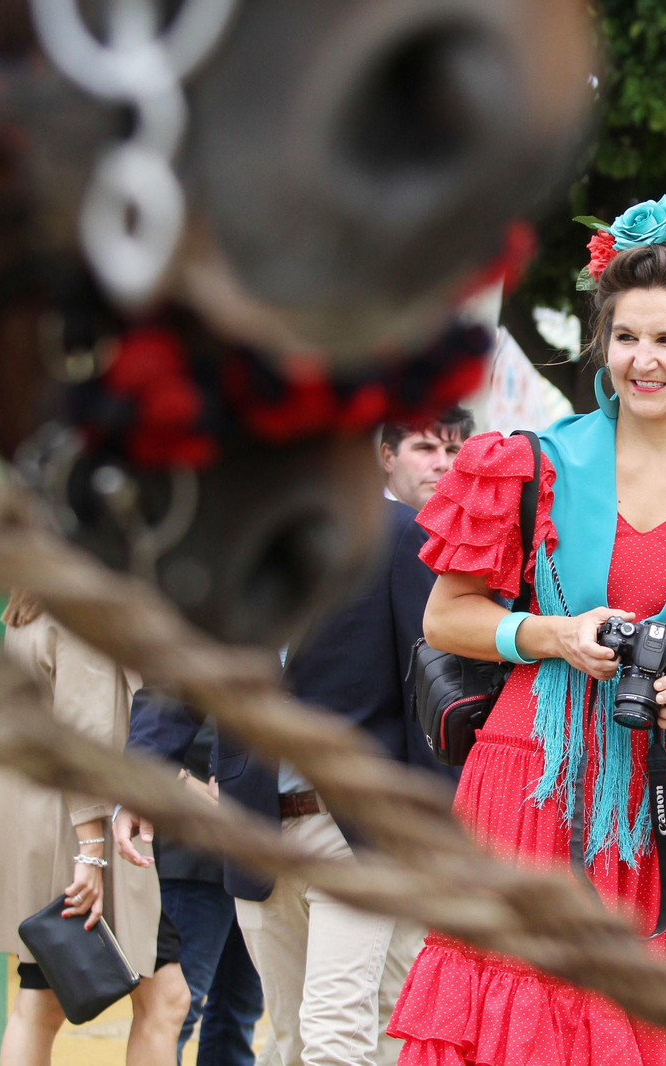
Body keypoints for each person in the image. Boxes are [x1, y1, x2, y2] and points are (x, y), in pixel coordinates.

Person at [387, 200, 666, 1066]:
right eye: (625, 337)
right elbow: (448, 616)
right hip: (529, 779)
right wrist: (552, 636)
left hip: (659, 795)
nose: (643, 360)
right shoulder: (529, 463)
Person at [116, 404, 474, 1066]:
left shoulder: (401, 536)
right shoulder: (222, 541)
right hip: (253, 824)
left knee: (335, 1035)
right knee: (291, 1040)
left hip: (361, 829)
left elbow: (433, 689)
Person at [0, 594, 189, 1066]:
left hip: (50, 822)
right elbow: (85, 733)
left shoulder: (32, 602)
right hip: (82, 828)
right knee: (162, 1000)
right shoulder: (76, 608)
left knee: (41, 1002)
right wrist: (90, 851)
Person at [126, 690, 264, 1066]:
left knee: (238, 1014)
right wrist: (187, 781)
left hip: (253, 854)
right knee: (175, 1008)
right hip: (192, 852)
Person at [380, 407, 472, 507]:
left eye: (451, 450)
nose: (442, 464)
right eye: (425, 448)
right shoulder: (368, 513)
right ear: (388, 458)